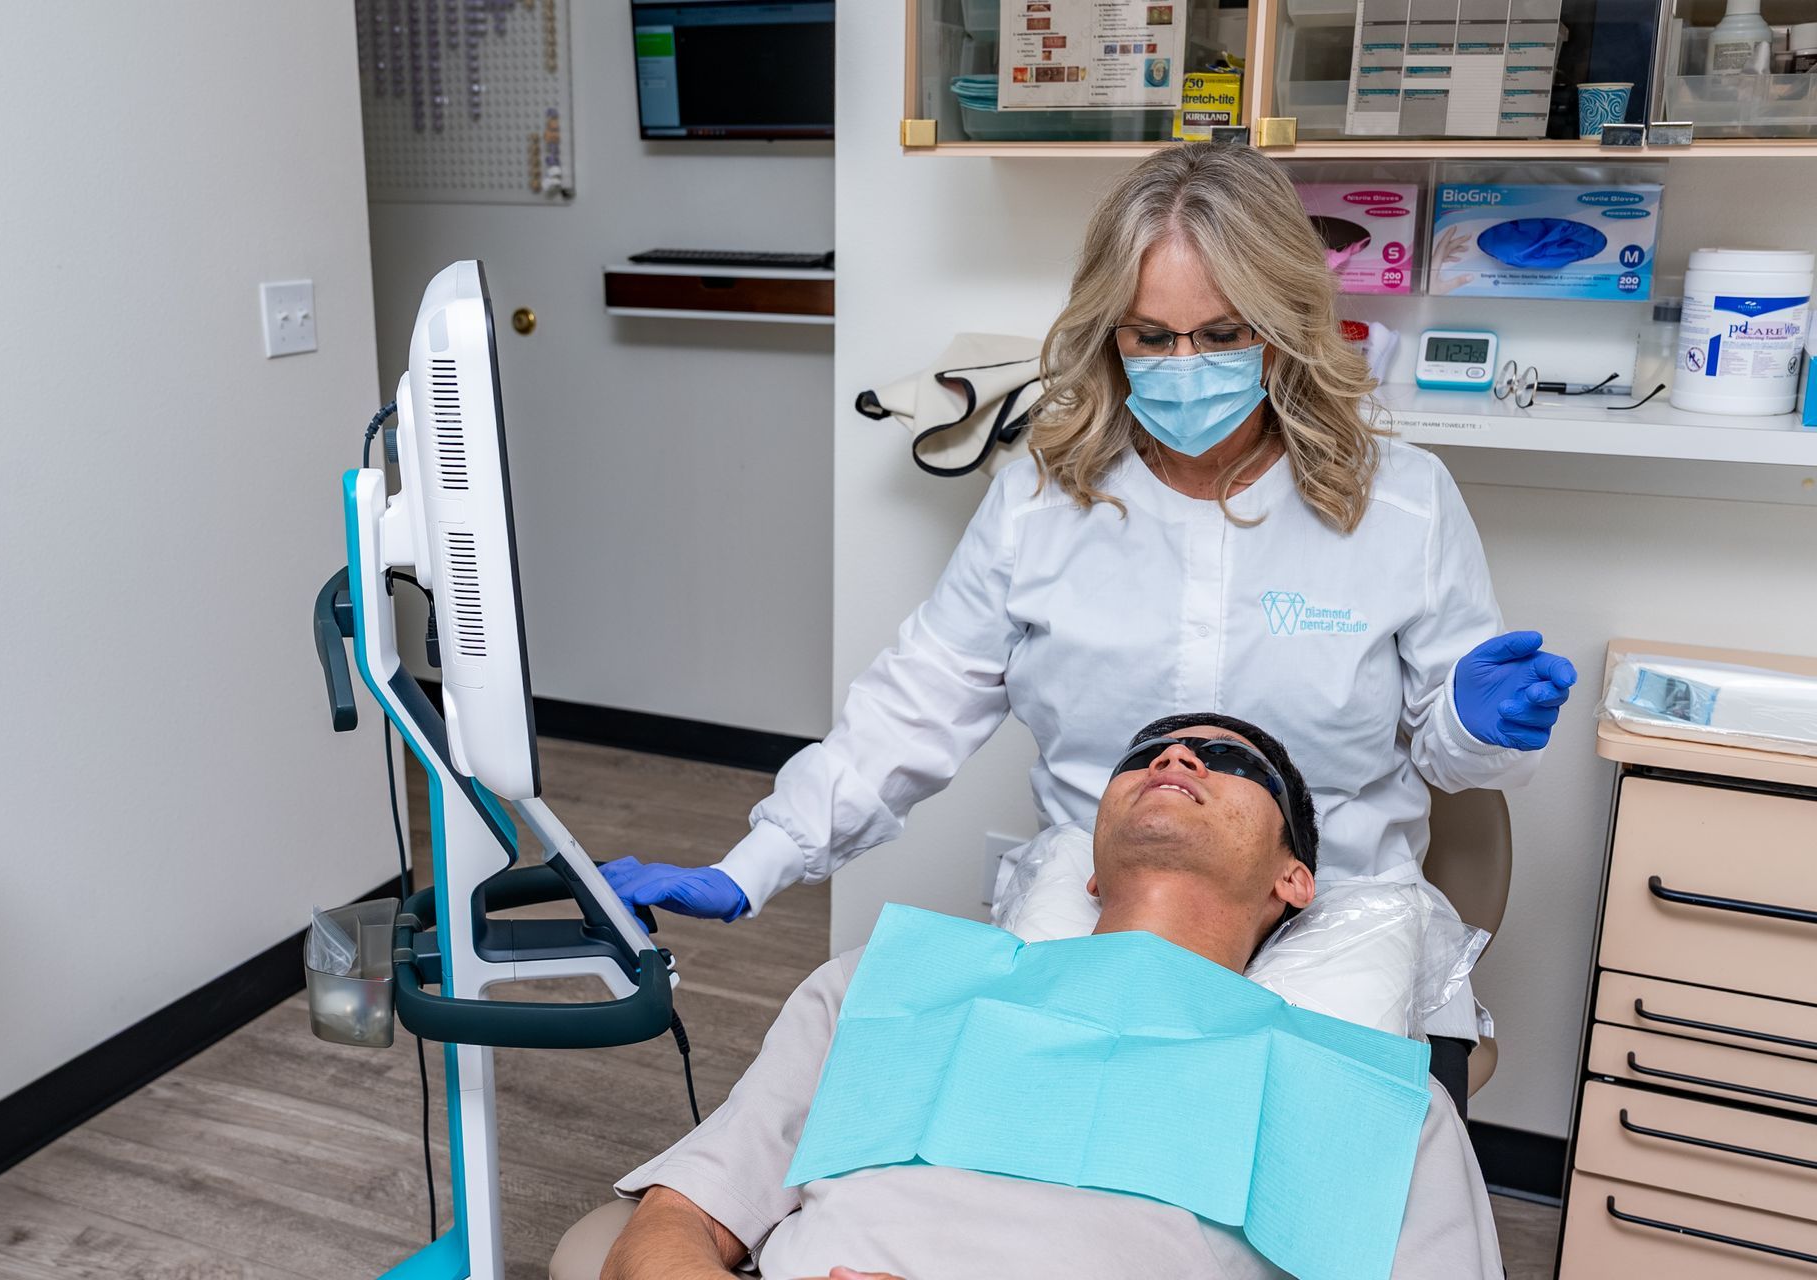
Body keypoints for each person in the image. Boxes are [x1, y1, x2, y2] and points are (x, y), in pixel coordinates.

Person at [600, 141, 1578, 1085]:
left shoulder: (1401, 501)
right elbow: (916, 704)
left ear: (1283, 327)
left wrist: (1477, 723)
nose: (1184, 364)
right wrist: (757, 857)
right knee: (1033, 1139)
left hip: (1334, 903)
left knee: (1303, 1160)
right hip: (1100, 889)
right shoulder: (1040, 499)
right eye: (1151, 335)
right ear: (1110, 330)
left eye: (1223, 333)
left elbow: (1457, 760)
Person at [600, 716, 1504, 1280]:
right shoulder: (879, 988)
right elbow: (670, 1227)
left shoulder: (1377, 1103)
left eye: (1230, 761)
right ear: (1088, 870)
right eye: (1144, 755)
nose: (1177, 755)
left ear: (1295, 879)